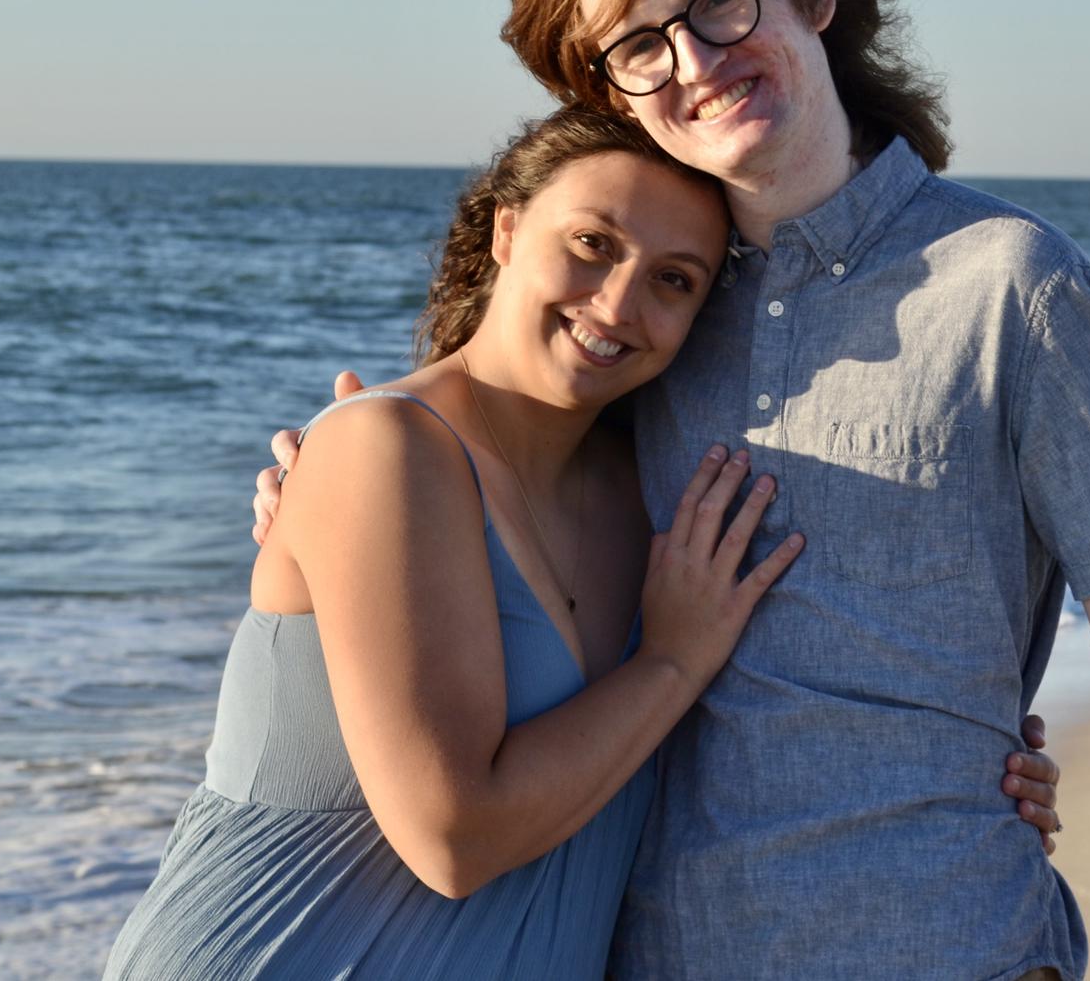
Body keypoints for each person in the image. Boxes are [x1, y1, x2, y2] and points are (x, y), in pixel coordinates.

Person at [259, 0, 1090, 980]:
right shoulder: (661, 315)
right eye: (639, 48)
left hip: (953, 944)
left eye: (717, 2)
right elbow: (505, 503)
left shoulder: (1008, 279)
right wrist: (324, 498)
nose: (694, 62)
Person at [105, 107, 812, 978]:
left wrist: (987, 766)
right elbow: (454, 838)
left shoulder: (661, 498)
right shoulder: (385, 448)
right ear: (509, 230)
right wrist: (669, 664)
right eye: (593, 243)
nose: (619, 302)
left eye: (674, 280)